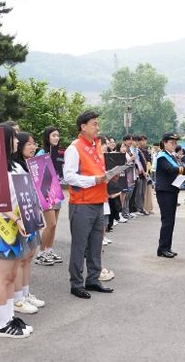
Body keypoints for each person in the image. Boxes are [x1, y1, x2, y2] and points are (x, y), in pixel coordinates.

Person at [64, 111, 114, 299]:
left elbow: (97, 172)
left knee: (96, 243)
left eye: (97, 124)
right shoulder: (74, 148)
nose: (97, 127)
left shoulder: (96, 145)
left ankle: (93, 279)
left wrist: (108, 176)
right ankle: (76, 283)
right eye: (94, 124)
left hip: (98, 200)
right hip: (82, 203)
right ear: (83, 126)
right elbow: (69, 176)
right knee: (80, 245)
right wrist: (94, 180)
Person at [0, 124, 33, 338]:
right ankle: (2, 324)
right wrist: (16, 218)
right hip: (4, 227)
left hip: (18, 225)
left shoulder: (14, 165)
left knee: (12, 275)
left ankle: (9, 317)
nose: (17, 141)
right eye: (14, 137)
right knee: (3, 276)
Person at [12, 132, 46, 313]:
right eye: (29, 144)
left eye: (34, 144)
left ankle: (25, 294)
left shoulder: (28, 165)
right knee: (20, 259)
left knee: (28, 257)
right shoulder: (14, 167)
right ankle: (17, 299)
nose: (33, 147)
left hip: (31, 214)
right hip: (20, 218)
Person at [155, 133, 185, 258]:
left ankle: (167, 246)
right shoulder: (162, 156)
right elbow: (170, 169)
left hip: (171, 190)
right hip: (165, 191)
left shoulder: (171, 156)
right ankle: (162, 249)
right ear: (164, 143)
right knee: (167, 220)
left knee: (170, 220)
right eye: (172, 142)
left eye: (175, 143)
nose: (174, 145)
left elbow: (176, 171)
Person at [35, 126, 64, 266]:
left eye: (58, 135)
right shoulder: (41, 153)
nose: (56, 138)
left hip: (56, 190)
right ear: (47, 137)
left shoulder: (59, 153)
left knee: (54, 225)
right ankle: (40, 253)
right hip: (45, 191)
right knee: (50, 223)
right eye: (53, 135)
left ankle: (49, 250)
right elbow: (36, 173)